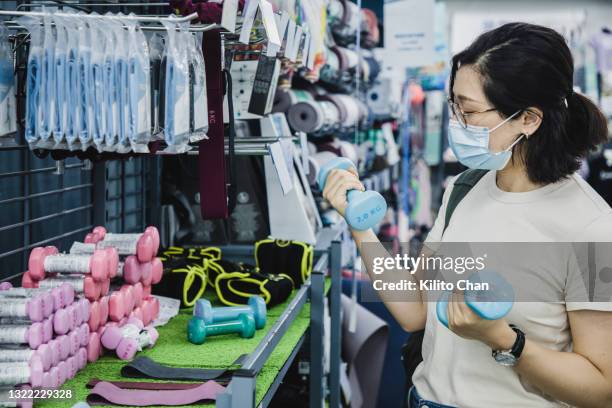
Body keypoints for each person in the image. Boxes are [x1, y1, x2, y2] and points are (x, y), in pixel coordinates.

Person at [323, 22, 612, 408]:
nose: (457, 122)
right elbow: (415, 311)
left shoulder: (592, 229)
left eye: (470, 110)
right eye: (454, 105)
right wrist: (360, 227)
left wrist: (502, 339)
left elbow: (601, 389)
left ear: (528, 119)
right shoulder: (466, 188)